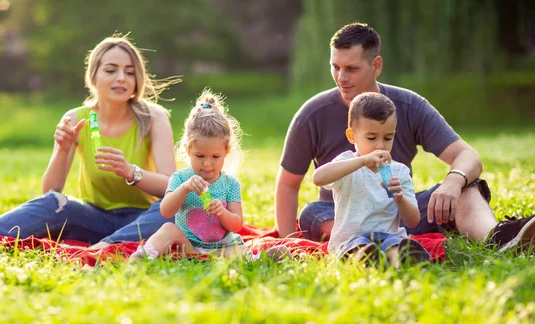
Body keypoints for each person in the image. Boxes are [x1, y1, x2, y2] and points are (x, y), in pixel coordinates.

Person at [275, 22, 535, 253]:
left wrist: (453, 182)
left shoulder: (409, 105)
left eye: (351, 68)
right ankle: (363, 246)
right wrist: (287, 242)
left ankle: (499, 239)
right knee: (312, 213)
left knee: (467, 185)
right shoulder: (312, 114)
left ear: (376, 66)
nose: (341, 78)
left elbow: (467, 157)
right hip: (342, 215)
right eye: (336, 67)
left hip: (400, 213)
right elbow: (288, 184)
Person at [0, 35, 180, 248]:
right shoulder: (76, 118)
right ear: (93, 76)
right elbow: (51, 191)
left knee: (171, 211)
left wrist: (131, 172)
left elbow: (171, 187)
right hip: (93, 218)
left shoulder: (153, 117)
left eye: (129, 72)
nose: (122, 78)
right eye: (111, 70)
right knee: (56, 203)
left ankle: (104, 247)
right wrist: (63, 150)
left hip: (143, 218)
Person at [132, 90, 289, 261]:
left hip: (222, 247)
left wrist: (222, 213)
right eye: (200, 156)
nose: (207, 164)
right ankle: (145, 255)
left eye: (215, 157)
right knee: (168, 229)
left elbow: (236, 225)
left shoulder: (230, 184)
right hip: (188, 246)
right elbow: (165, 210)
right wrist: (185, 189)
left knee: (238, 250)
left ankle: (258, 259)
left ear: (226, 151)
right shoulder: (180, 178)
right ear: (188, 150)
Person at [313, 92, 429, 268]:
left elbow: (412, 221)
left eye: (388, 137)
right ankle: (365, 259)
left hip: (388, 235)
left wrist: (400, 199)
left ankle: (400, 261)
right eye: (371, 138)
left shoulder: (399, 171)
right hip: (351, 238)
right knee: (358, 245)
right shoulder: (347, 163)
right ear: (352, 136)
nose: (380, 145)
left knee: (395, 243)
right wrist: (362, 161)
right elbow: (318, 178)